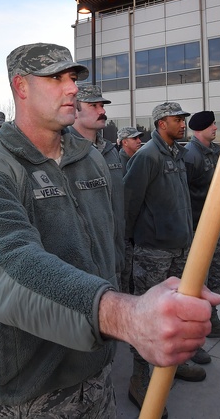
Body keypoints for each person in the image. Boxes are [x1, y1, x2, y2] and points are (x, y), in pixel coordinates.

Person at [0, 43, 220, 419]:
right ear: (21, 87)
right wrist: (126, 315)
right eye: (56, 78)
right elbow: (7, 268)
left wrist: (139, 301)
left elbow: (112, 241)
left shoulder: (90, 158)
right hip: (23, 390)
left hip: (94, 374)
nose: (72, 88)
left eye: (73, 77)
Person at [123, 101, 207, 409]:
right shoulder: (147, 157)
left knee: (180, 311)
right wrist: (130, 244)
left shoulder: (177, 153)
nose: (183, 123)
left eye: (183, 119)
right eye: (177, 119)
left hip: (179, 248)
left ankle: (174, 362)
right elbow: (128, 202)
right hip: (153, 251)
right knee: (148, 316)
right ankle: (139, 377)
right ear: (161, 124)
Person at [182, 111, 220, 366]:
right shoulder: (190, 156)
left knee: (219, 278)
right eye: (212, 124)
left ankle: (211, 320)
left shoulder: (215, 151)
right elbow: (182, 194)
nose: (216, 127)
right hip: (199, 230)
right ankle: (190, 341)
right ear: (200, 129)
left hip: (218, 228)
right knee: (197, 285)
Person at [70, 84, 127, 289]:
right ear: (74, 111)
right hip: (81, 268)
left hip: (115, 255)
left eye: (102, 105)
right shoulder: (62, 152)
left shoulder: (111, 150)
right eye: (93, 105)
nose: (102, 111)